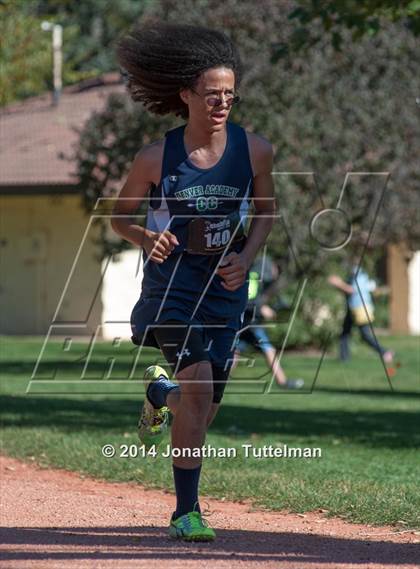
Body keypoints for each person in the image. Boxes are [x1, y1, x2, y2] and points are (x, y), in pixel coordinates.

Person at [112, 22, 275, 542]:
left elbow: (267, 213)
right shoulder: (156, 158)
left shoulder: (255, 151)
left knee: (202, 407)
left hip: (224, 287)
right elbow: (118, 217)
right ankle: (186, 512)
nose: (222, 102)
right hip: (173, 289)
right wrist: (145, 238)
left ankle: (161, 393)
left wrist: (246, 257)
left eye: (229, 93)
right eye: (212, 94)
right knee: (200, 394)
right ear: (186, 95)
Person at [231, 254, 304, 389]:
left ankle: (219, 381)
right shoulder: (256, 275)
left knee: (235, 350)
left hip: (244, 319)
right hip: (249, 320)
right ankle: (282, 381)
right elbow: (248, 298)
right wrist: (261, 308)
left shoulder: (259, 275)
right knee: (268, 348)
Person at [328, 262, 394, 363]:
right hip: (353, 308)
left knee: (365, 336)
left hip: (360, 309)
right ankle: (344, 358)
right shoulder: (359, 276)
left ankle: (384, 352)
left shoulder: (358, 277)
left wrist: (338, 283)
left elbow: (351, 290)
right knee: (345, 333)